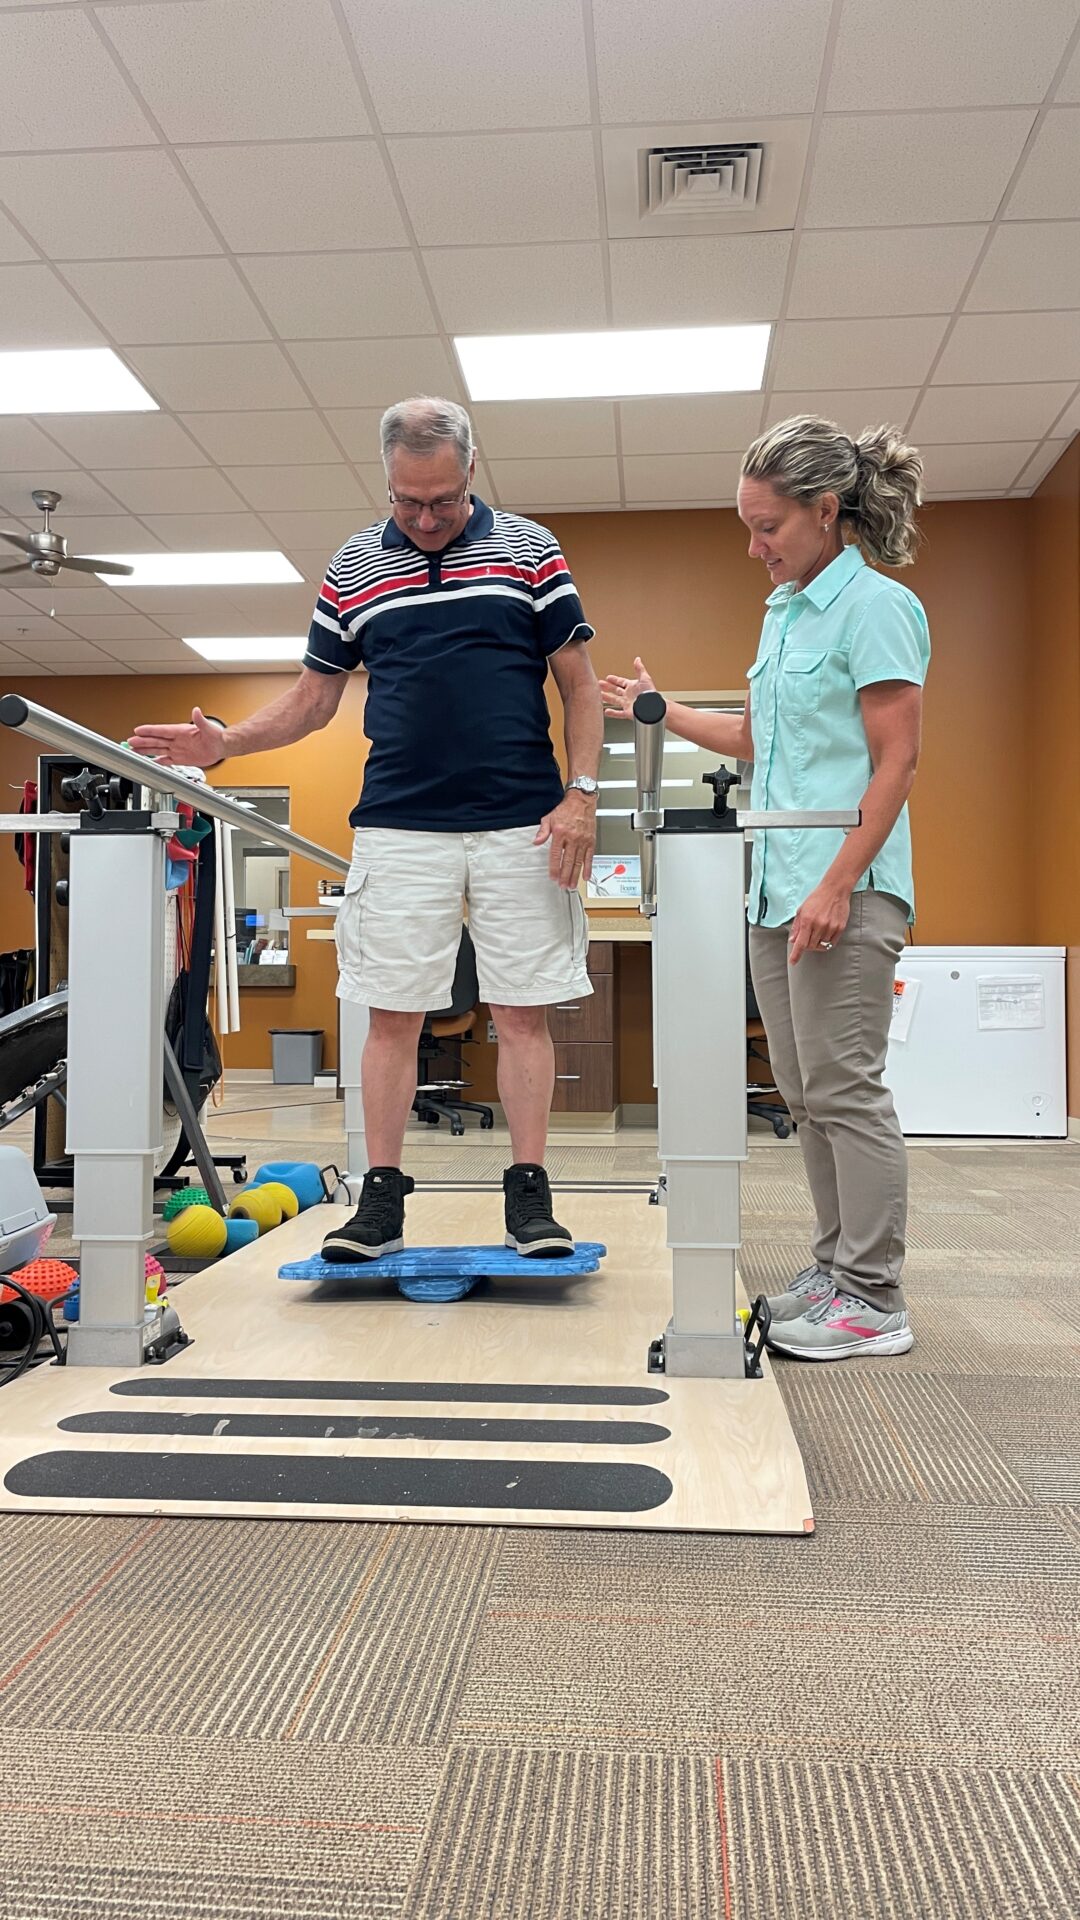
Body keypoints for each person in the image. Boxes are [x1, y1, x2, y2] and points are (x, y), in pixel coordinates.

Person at [129, 396, 603, 1263]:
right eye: (406, 502)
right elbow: (314, 699)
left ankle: (530, 1199)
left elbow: (578, 683)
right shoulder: (353, 566)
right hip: (398, 824)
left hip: (522, 822)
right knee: (393, 1017)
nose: (425, 519)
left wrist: (582, 796)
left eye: (444, 501)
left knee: (522, 1015)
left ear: (471, 473)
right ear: (385, 482)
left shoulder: (530, 548)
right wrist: (229, 741)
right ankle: (380, 1201)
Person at [601, 415, 929, 1361]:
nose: (754, 547)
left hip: (844, 886)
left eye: (767, 527)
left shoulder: (875, 608)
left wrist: (836, 884)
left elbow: (896, 762)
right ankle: (835, 1269)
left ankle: (874, 1297)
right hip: (773, 890)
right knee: (804, 1089)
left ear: (827, 513)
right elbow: (763, 741)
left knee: (847, 1088)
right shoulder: (786, 611)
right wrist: (661, 712)